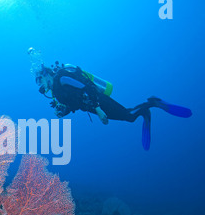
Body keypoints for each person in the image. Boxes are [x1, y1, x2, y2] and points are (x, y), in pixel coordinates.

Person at [30, 55, 192, 150]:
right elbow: (75, 104)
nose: (41, 86)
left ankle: (153, 104)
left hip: (99, 102)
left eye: (40, 81)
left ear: (46, 74)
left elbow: (87, 88)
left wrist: (99, 109)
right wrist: (63, 112)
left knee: (128, 117)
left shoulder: (62, 77)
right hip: (94, 107)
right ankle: (145, 111)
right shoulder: (57, 93)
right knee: (128, 115)